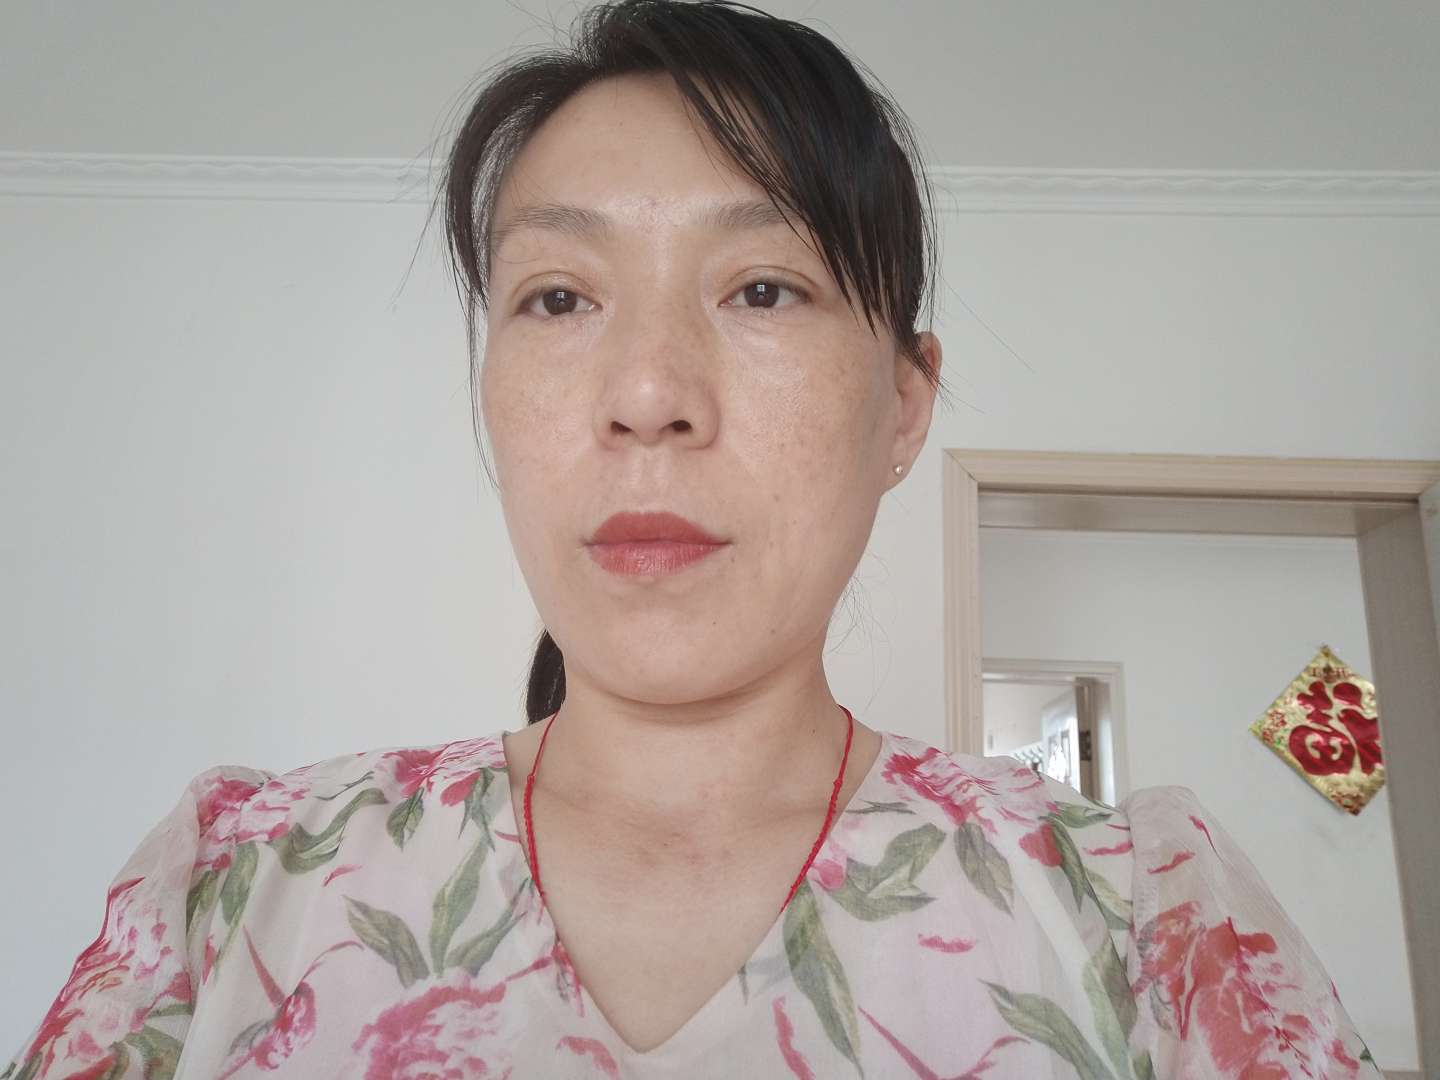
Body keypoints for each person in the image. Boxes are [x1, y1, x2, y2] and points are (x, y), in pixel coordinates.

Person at [4, 2, 1380, 1077]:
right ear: (488, 394)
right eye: (558, 298)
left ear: (904, 406)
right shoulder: (236, 894)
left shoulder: (1149, 923)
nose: (650, 393)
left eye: (763, 288)